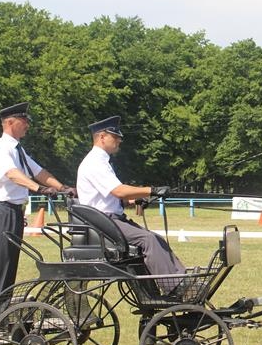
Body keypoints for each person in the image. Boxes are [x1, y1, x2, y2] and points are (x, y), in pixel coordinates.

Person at [0, 102, 76, 316]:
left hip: (13, 211)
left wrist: (63, 188)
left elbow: (38, 172)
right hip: (1, 211)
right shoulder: (0, 148)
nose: (27, 125)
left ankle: (1, 314)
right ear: (10, 122)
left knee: (9, 266)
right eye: (24, 121)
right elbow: (12, 174)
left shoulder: (18, 149)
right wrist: (39, 189)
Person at [76, 115, 188, 295]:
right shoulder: (95, 162)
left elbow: (110, 197)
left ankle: (181, 279)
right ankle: (175, 287)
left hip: (109, 219)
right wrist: (152, 190)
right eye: (115, 136)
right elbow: (119, 191)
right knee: (148, 240)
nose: (119, 140)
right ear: (102, 137)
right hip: (104, 222)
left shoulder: (101, 161)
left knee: (155, 237)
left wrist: (135, 200)